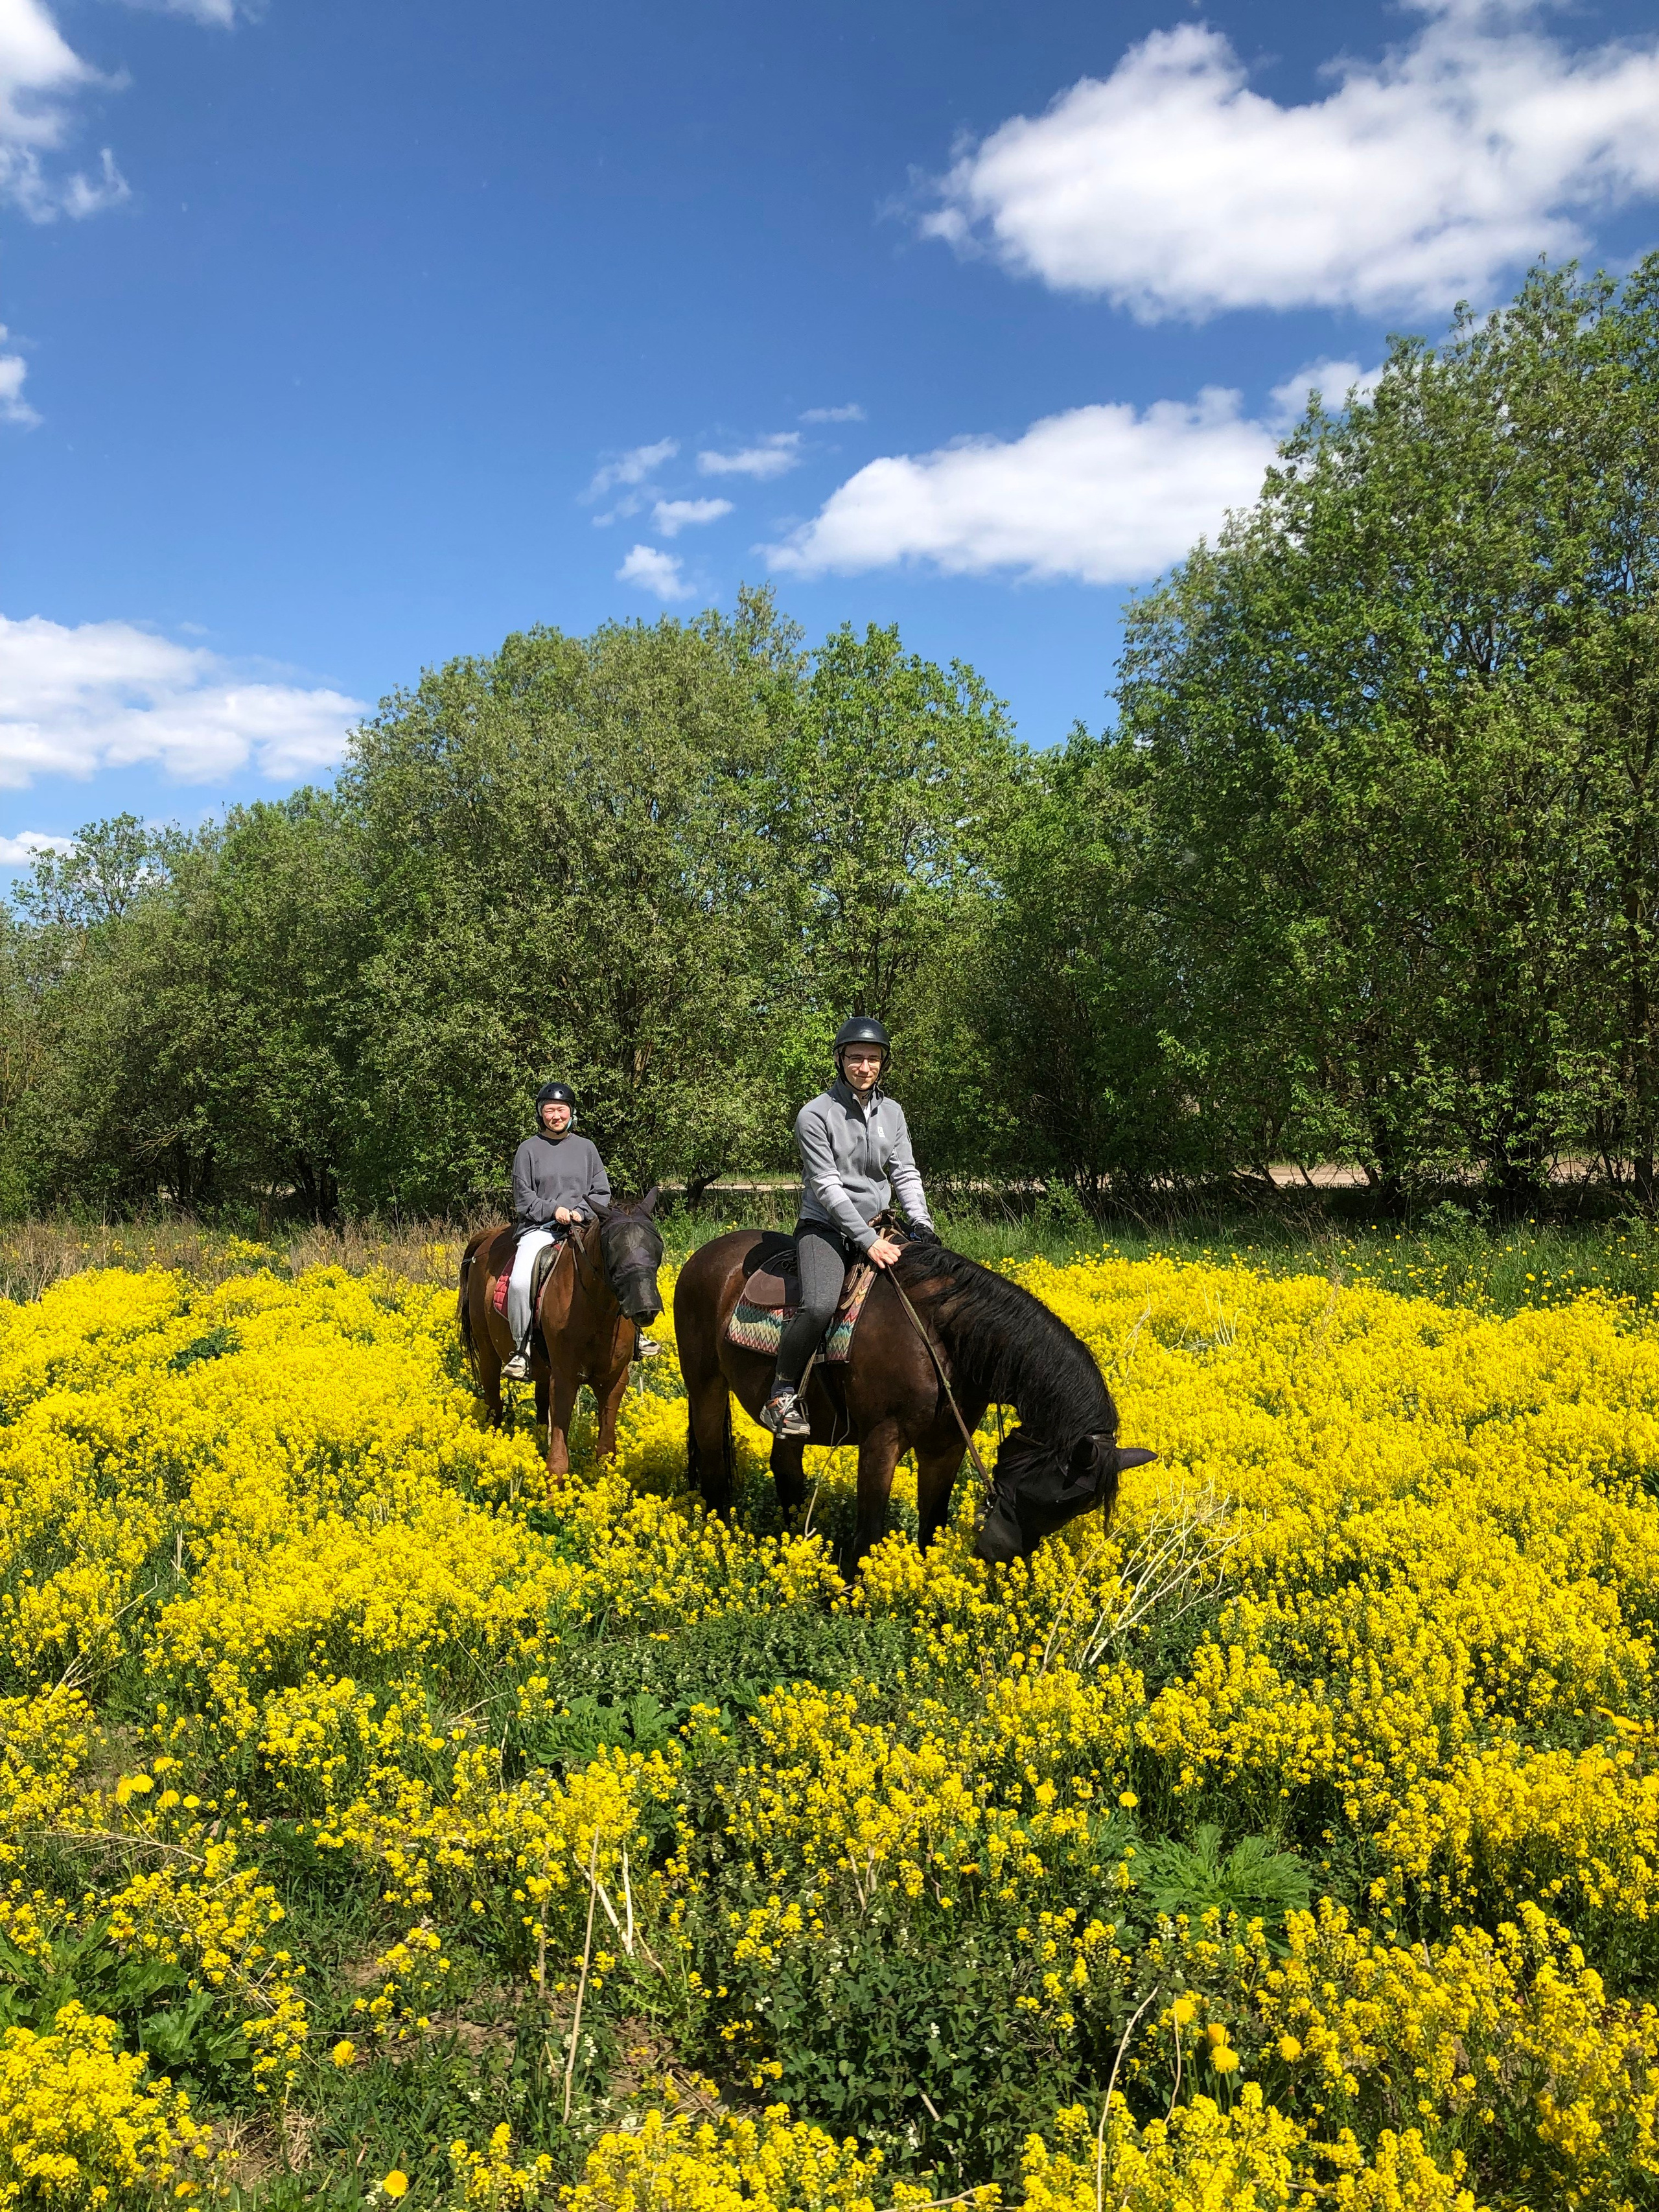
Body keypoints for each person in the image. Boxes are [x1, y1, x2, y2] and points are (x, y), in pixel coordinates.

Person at [761, 1015, 936, 1438]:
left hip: (882, 1225)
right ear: (840, 1060)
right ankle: (781, 1392)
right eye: (856, 1057)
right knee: (820, 1303)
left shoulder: (892, 1112)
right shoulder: (815, 1114)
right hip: (827, 1229)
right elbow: (826, 1187)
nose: (865, 1066)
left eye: (873, 1058)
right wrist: (866, 1240)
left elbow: (906, 1173)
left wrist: (922, 1224)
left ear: (882, 1064)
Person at [502, 1080, 612, 1382]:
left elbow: (601, 1192)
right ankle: (521, 1350)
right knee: (522, 1282)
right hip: (541, 1228)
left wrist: (583, 1213)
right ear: (541, 1114)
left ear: (571, 1113)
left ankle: (635, 1335)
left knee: (621, 1263)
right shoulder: (527, 1150)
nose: (556, 1116)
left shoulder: (587, 1148)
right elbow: (524, 1198)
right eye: (550, 1110)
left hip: (584, 1225)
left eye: (561, 1110)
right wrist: (554, 1210)